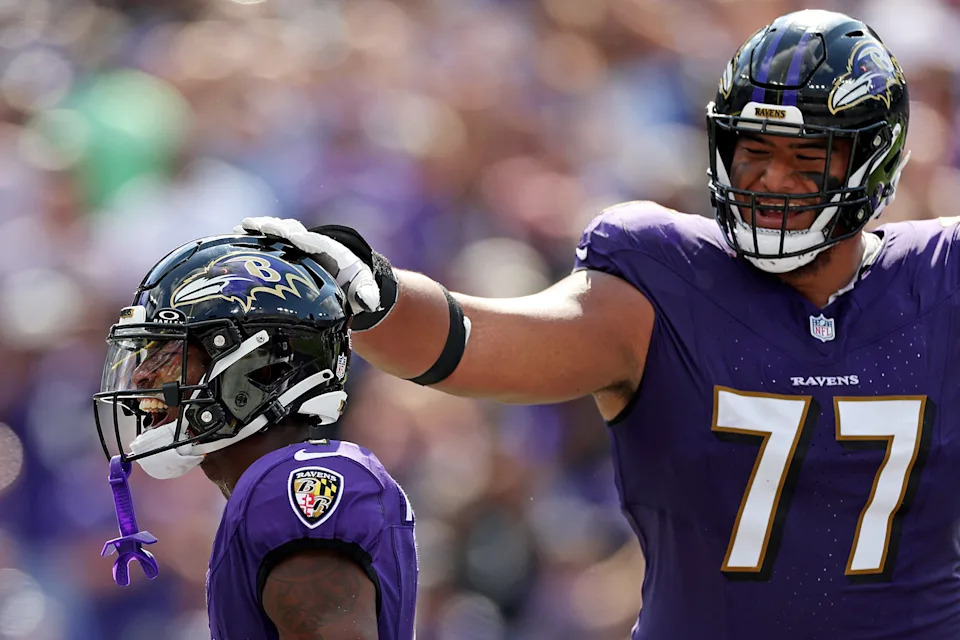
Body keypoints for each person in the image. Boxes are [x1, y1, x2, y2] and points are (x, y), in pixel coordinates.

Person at [237, 9, 960, 639]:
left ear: (875, 162)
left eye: (806, 158)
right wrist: (377, 297)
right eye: (754, 151)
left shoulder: (940, 279)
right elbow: (472, 343)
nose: (771, 180)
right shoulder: (664, 280)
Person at [92, 234, 417, 640]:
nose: (142, 376)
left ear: (260, 370)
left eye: (168, 353)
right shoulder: (264, 489)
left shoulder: (292, 489)